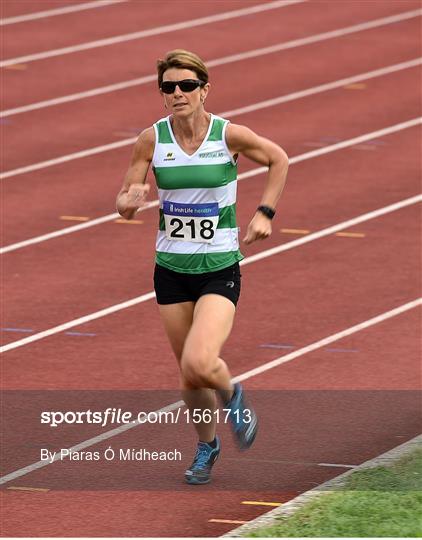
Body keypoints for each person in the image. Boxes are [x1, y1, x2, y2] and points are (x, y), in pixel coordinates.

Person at [116, 49, 288, 485]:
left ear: (204, 89)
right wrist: (128, 203)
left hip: (219, 267)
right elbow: (126, 195)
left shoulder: (229, 135)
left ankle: (235, 396)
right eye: (168, 87)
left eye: (187, 86)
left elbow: (279, 159)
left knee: (200, 359)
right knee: (190, 374)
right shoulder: (151, 140)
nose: (178, 94)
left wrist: (265, 211)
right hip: (170, 269)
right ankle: (207, 446)